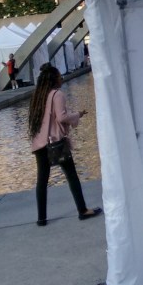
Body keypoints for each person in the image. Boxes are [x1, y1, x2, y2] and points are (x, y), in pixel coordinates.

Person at [27, 63, 102, 227]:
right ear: (54, 79)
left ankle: (41, 218)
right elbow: (61, 118)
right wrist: (77, 115)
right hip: (56, 143)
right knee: (72, 175)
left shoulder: (38, 96)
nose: (62, 78)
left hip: (40, 144)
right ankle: (83, 210)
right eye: (60, 76)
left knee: (42, 180)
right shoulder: (57, 94)